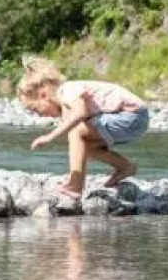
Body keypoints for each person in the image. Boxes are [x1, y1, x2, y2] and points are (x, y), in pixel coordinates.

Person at [18, 56, 150, 198]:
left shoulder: (66, 91)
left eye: (36, 109)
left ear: (43, 95)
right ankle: (125, 167)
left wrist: (50, 136)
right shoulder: (65, 105)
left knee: (76, 132)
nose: (38, 115)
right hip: (133, 120)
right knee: (86, 144)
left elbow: (81, 112)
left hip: (132, 115)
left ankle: (75, 185)